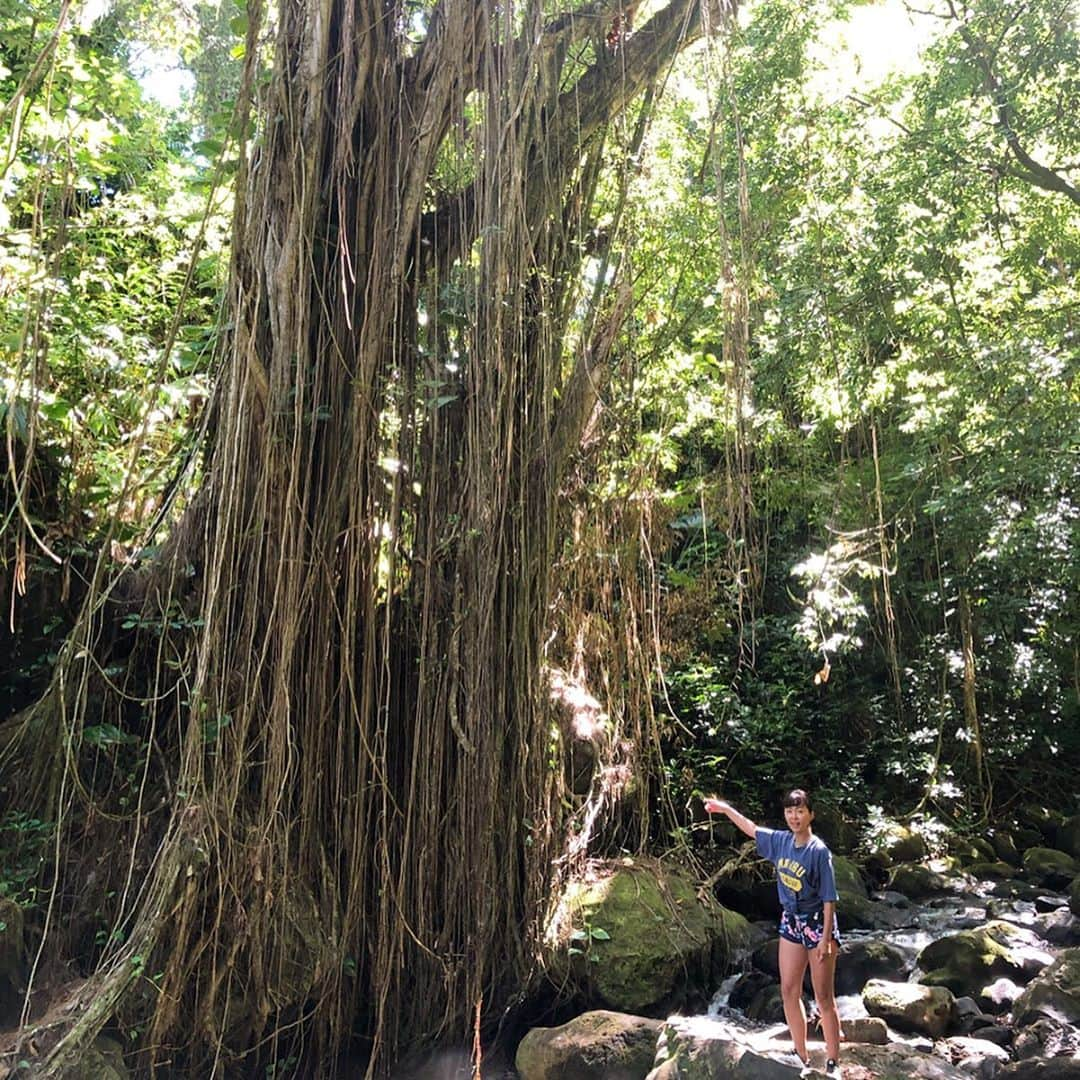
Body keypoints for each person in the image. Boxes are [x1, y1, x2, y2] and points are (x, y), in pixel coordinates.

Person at [704, 789, 841, 1079]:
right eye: (790, 811)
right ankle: (800, 1053)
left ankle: (832, 1062)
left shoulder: (819, 852)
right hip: (791, 921)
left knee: (823, 996)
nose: (794, 816)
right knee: (789, 990)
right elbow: (752, 829)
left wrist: (825, 939)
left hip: (818, 924)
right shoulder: (780, 842)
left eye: (800, 811)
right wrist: (725, 808)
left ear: (811, 814)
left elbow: (830, 898)